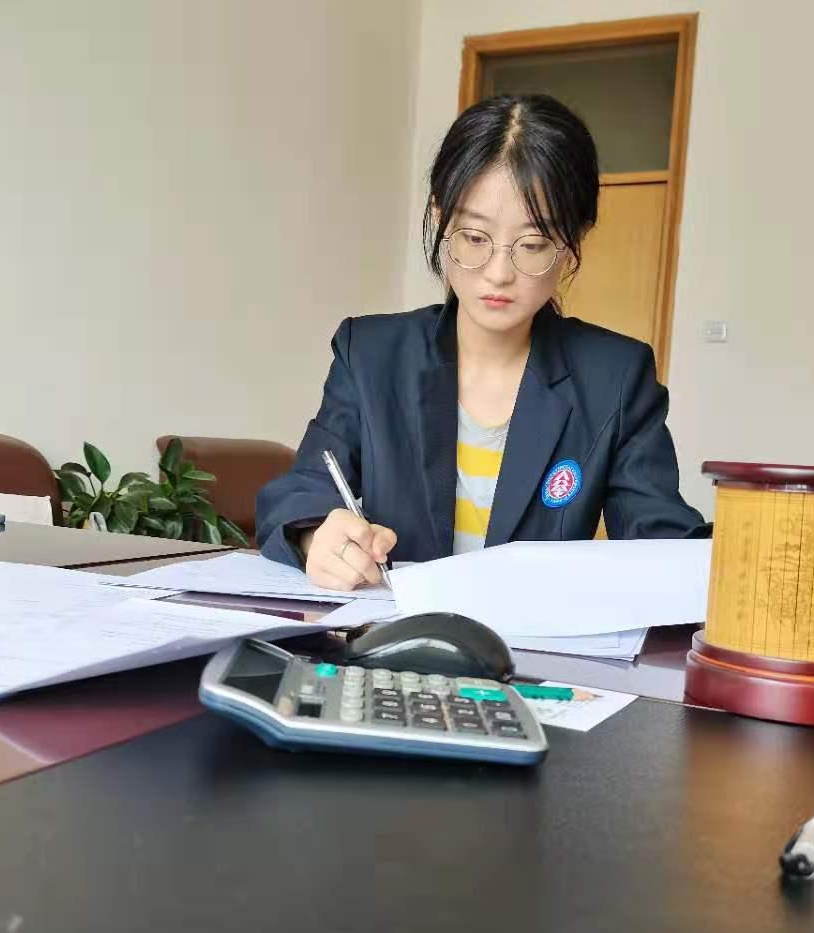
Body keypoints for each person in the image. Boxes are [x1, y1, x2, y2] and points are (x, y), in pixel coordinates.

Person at [256, 93, 705, 590]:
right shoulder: (371, 353)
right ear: (439, 216)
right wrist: (316, 534)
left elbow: (661, 537)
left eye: (532, 245)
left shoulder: (615, 376)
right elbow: (302, 490)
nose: (498, 273)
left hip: (533, 636)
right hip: (395, 633)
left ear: (573, 240)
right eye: (474, 237)